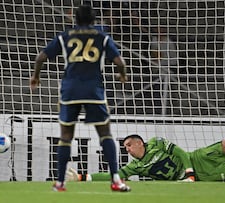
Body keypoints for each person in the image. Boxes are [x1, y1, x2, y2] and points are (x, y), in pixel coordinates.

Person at [30, 4, 131, 192]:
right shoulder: (102, 37)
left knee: (66, 137)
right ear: (94, 20)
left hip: (70, 92)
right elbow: (120, 62)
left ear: (74, 19)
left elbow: (40, 58)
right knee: (105, 134)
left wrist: (36, 77)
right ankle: (116, 180)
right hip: (94, 91)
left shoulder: (64, 36)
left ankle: (60, 183)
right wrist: (122, 75)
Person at [65, 110, 225, 182]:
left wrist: (189, 172)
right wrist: (84, 178)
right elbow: (114, 176)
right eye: (124, 147)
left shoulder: (156, 143)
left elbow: (179, 152)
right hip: (204, 177)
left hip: (196, 161)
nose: (127, 149)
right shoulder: (136, 166)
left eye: (128, 145)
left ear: (138, 142)